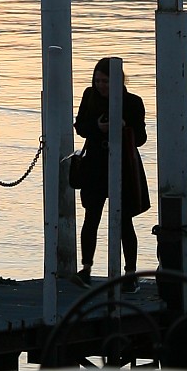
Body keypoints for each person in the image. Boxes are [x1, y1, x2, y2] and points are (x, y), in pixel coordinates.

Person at [75, 57, 150, 279]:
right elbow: (80, 126)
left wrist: (125, 128)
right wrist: (98, 127)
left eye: (105, 81)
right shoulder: (89, 96)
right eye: (97, 81)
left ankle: (129, 272)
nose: (100, 86)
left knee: (124, 220)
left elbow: (141, 138)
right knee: (91, 217)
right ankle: (86, 267)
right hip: (95, 164)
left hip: (123, 165)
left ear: (117, 81)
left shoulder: (133, 102)